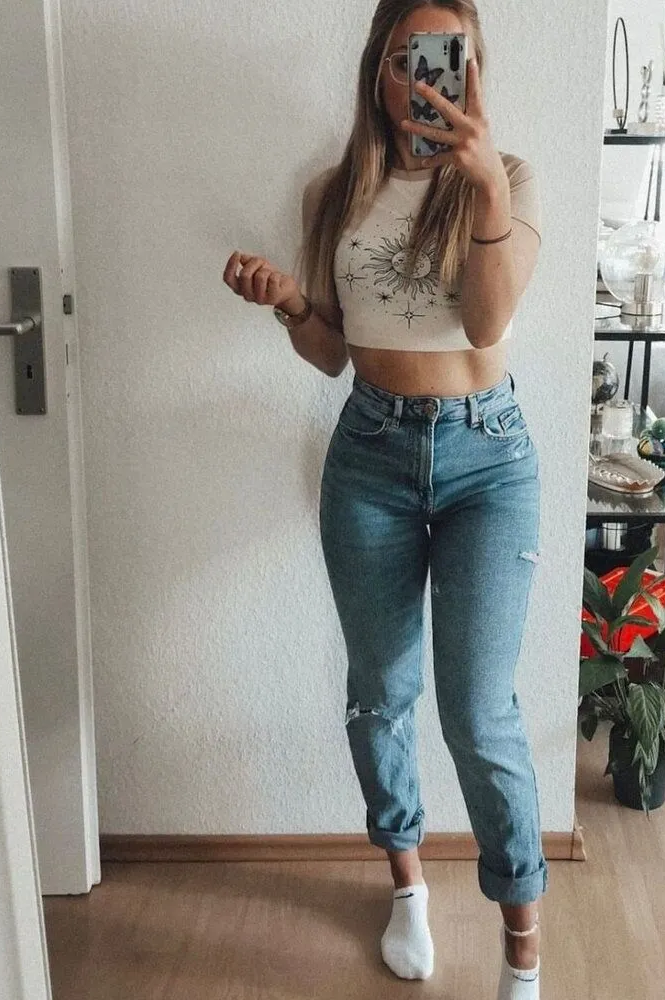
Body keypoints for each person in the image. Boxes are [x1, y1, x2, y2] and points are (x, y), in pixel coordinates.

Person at [222, 2, 543, 996]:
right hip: (369, 453)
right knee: (378, 692)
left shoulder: (509, 178)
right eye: (406, 58)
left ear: (473, 69)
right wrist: (287, 302)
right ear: (378, 69)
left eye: (444, 57)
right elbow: (331, 353)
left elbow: (485, 321)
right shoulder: (332, 193)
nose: (422, 79)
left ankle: (523, 946)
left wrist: (484, 181)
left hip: (488, 461)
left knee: (479, 713)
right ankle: (406, 887)